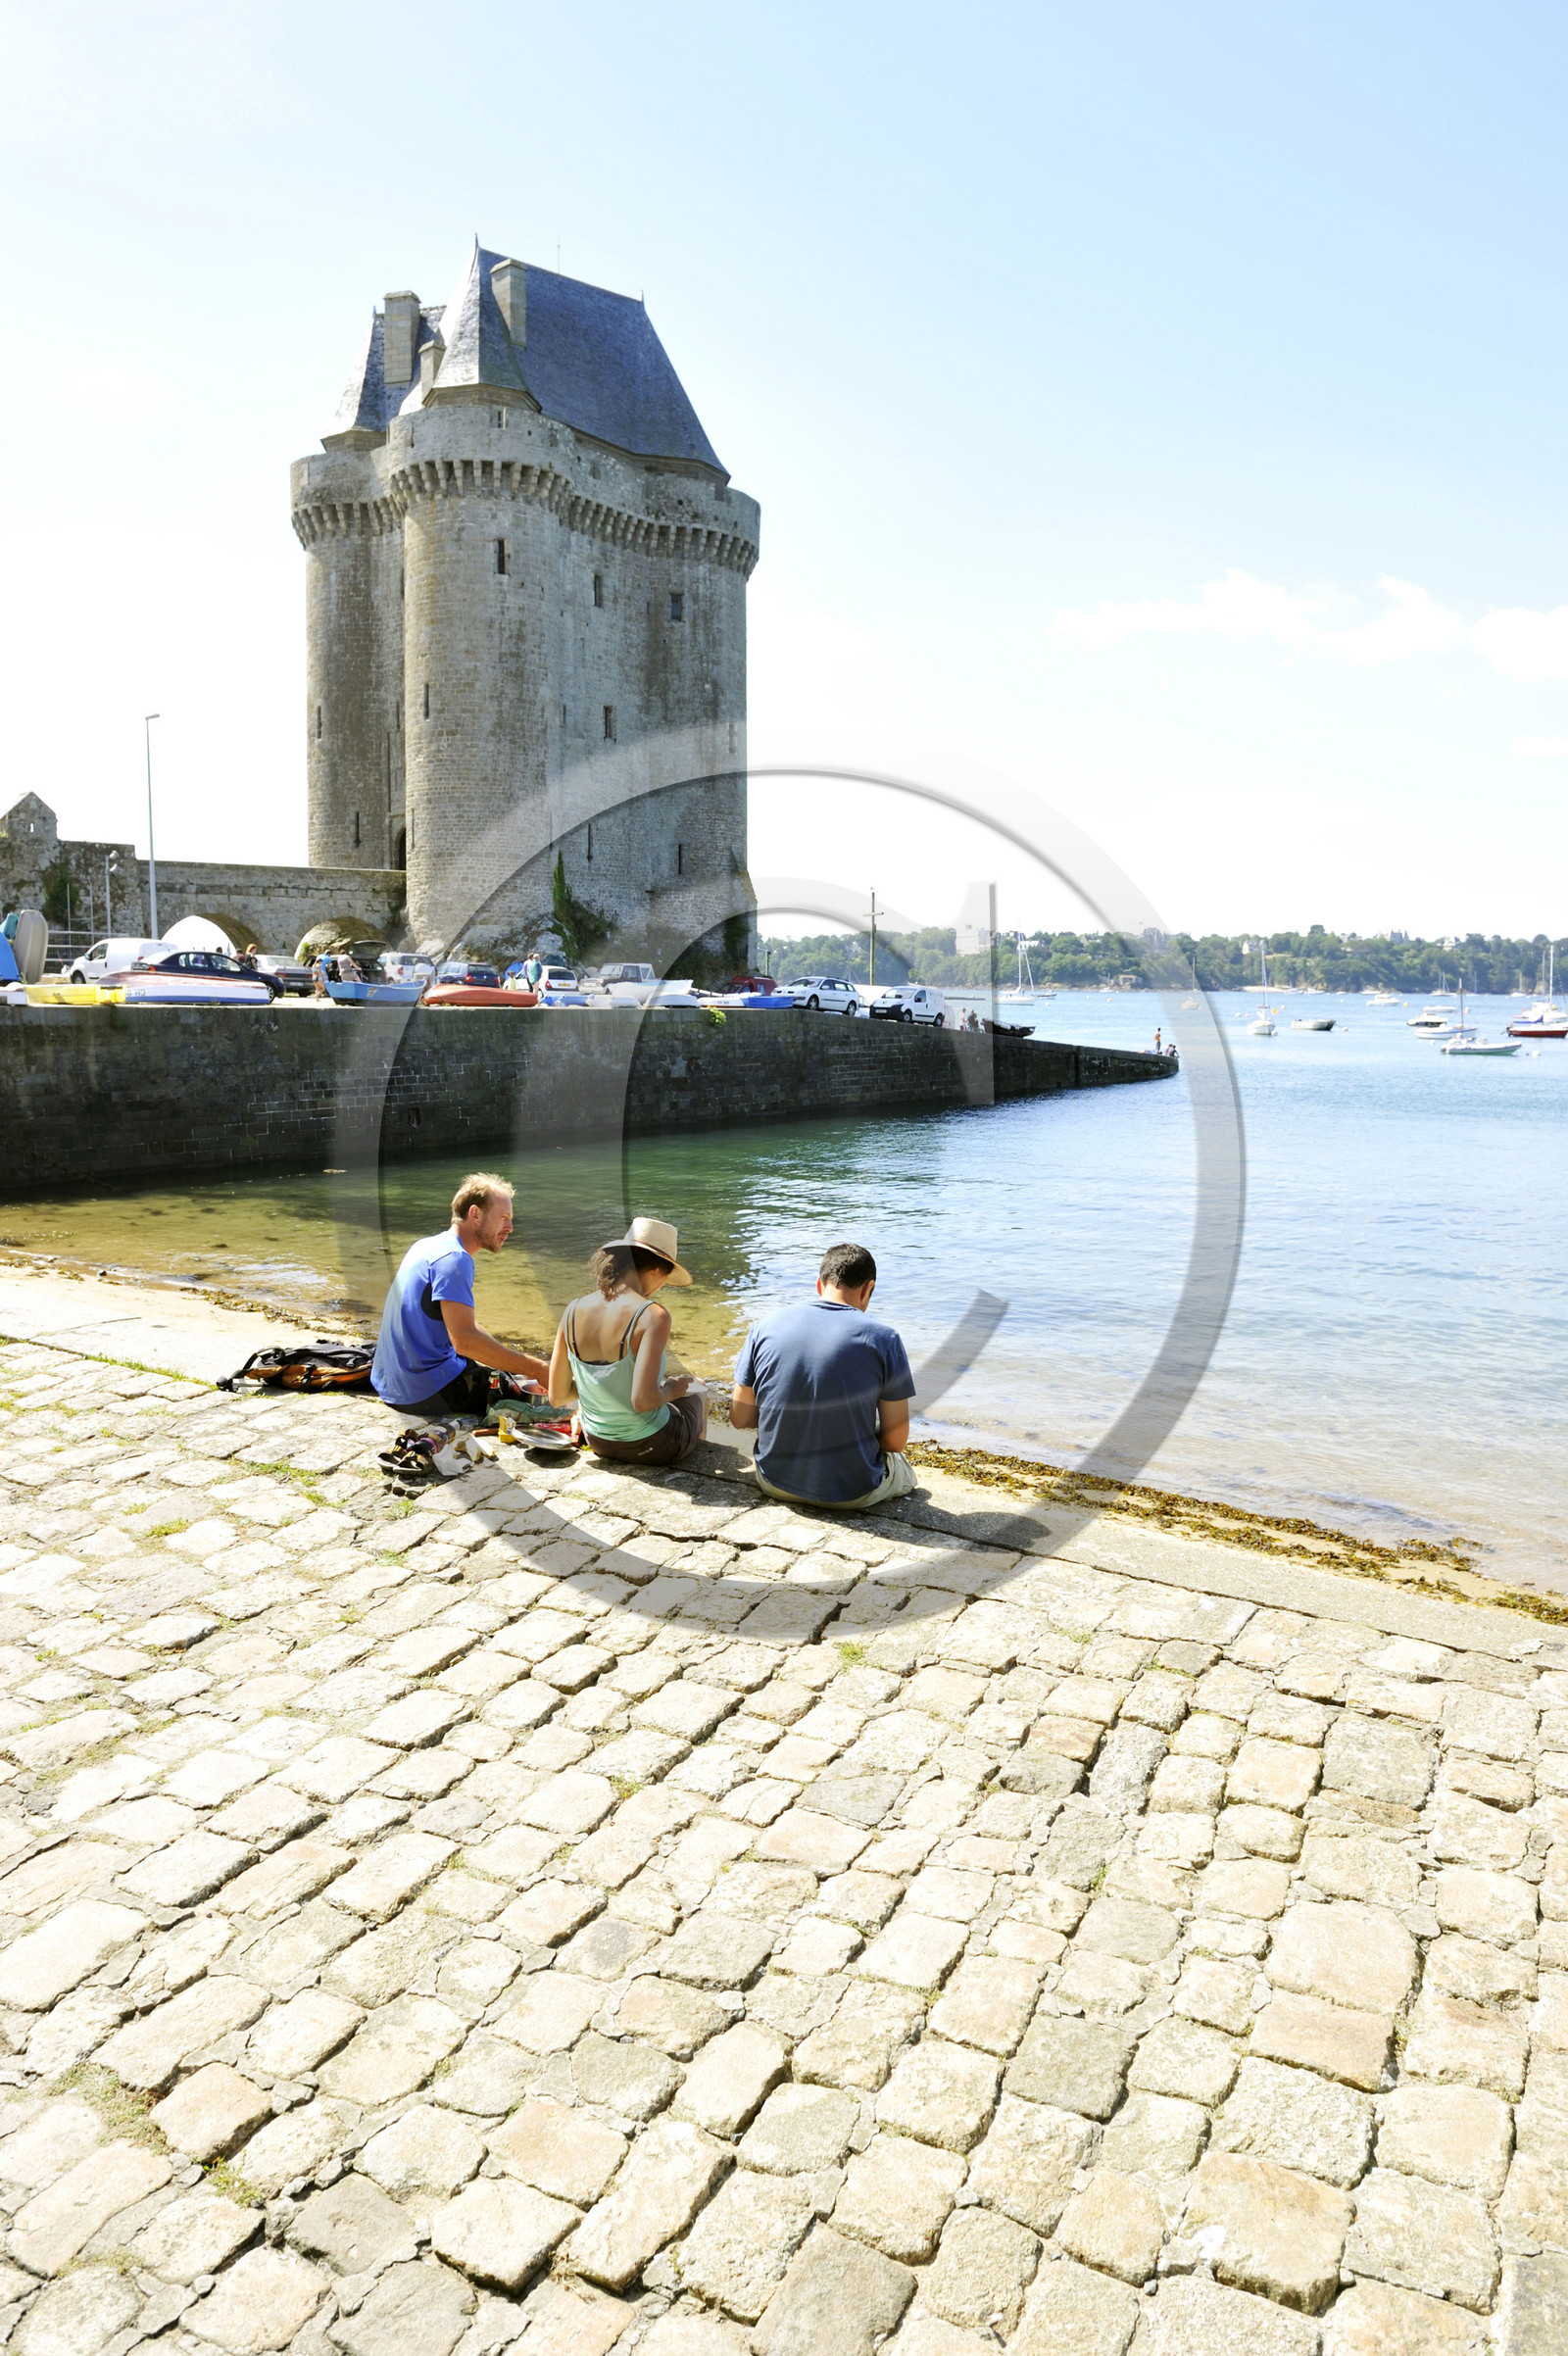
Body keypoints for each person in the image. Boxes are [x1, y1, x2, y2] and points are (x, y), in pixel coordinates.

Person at [731, 1242, 917, 1509]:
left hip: (773, 1481)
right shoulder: (885, 1338)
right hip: (852, 1493)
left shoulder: (765, 1324)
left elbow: (740, 1417)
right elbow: (895, 1441)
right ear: (868, 1288)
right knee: (904, 1468)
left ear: (819, 1284)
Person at [371, 1172, 549, 1417]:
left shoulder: (426, 1246)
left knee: (511, 1371)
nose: (510, 1228)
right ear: (475, 1214)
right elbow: (464, 1340)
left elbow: (464, 1325)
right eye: (504, 1218)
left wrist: (519, 1363)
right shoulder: (455, 1259)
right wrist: (536, 1367)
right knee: (530, 1398)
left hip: (391, 1384)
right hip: (425, 1393)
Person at [549, 1217, 706, 1464]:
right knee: (696, 1391)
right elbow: (642, 1401)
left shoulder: (572, 1310)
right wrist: (669, 1391)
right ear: (657, 1270)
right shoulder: (653, 1315)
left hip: (597, 1440)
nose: (661, 1287)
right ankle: (699, 1461)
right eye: (666, 1278)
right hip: (652, 1445)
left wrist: (602, 1384)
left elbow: (557, 1397)